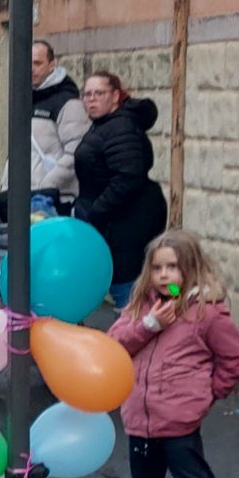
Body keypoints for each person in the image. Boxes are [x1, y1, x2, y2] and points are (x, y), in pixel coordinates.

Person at [101, 231, 239, 478]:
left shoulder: (205, 313)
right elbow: (113, 345)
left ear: (190, 268)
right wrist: (149, 326)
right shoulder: (141, 307)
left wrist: (208, 393)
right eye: (157, 268)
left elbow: (235, 354)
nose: (164, 275)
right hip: (140, 417)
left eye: (172, 267)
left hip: (178, 421)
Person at [73, 70, 168, 306]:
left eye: (99, 93)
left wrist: (95, 210)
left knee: (128, 288)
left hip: (127, 222)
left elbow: (128, 177)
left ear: (115, 96)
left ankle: (138, 325)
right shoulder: (105, 124)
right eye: (87, 94)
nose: (92, 99)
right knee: (131, 286)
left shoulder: (120, 126)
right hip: (117, 220)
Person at [29, 40, 89, 208]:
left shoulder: (68, 102)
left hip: (51, 200)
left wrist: (45, 187)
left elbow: (75, 153)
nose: (31, 69)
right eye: (28, 63)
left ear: (52, 65)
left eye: (37, 63)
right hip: (24, 196)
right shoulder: (27, 98)